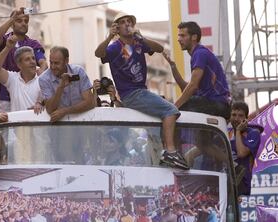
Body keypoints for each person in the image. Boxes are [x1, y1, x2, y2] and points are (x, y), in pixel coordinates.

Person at [95, 13, 189, 170]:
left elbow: (159, 48)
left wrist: (141, 37)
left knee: (162, 116)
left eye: (129, 22)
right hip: (131, 94)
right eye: (123, 22)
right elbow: (98, 53)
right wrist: (109, 37)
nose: (127, 24)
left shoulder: (138, 43)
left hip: (140, 92)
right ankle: (170, 152)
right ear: (117, 28)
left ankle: (162, 152)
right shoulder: (114, 47)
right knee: (171, 110)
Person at [0, 8, 47, 112]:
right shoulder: (6, 40)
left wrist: (42, 71)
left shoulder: (33, 44)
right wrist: (12, 19)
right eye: (19, 20)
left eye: (26, 21)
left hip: (31, 93)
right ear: (12, 24)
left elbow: (43, 62)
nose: (23, 23)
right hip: (7, 95)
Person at [163, 21, 231, 120]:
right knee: (177, 105)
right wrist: (173, 67)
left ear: (194, 37)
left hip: (218, 103)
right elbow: (186, 88)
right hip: (213, 103)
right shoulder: (198, 54)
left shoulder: (200, 53)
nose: (179, 39)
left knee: (174, 111)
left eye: (182, 36)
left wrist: (173, 107)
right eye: (179, 36)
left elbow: (192, 86)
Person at [39, 46, 96, 122]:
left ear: (66, 61)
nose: (53, 67)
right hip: (60, 126)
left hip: (83, 122)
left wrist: (64, 111)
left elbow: (90, 103)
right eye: (51, 62)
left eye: (56, 63)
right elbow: (50, 109)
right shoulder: (44, 78)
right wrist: (60, 87)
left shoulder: (78, 71)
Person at [0, 34, 43, 113]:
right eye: (27, 59)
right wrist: (7, 48)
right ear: (19, 65)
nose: (32, 62)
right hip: (17, 125)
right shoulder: (13, 79)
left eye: (33, 58)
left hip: (38, 125)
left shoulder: (43, 79)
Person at [229, 101, 261, 196]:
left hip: (242, 185)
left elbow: (241, 153)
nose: (236, 118)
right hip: (225, 180)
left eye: (240, 116)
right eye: (234, 115)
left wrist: (238, 131)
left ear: (246, 119)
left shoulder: (254, 133)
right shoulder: (225, 132)